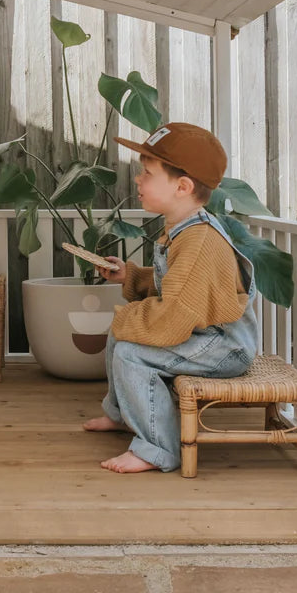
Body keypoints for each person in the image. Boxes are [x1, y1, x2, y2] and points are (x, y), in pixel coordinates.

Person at [83, 122, 258, 473]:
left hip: (223, 346)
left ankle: (157, 448)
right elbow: (181, 287)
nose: (137, 180)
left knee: (132, 352)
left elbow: (174, 316)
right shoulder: (183, 228)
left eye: (147, 173)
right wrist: (131, 277)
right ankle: (122, 415)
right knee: (123, 333)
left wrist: (127, 317)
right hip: (204, 333)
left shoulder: (198, 241)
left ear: (182, 187)